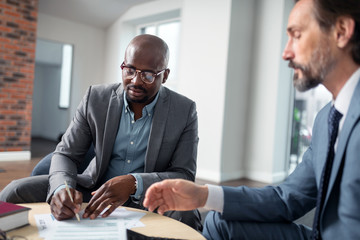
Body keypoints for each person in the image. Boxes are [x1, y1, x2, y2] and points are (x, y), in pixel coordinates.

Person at [144, 0, 360, 239]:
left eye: (296, 35)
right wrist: (204, 195)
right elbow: (286, 198)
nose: (286, 52)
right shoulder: (326, 119)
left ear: (341, 32)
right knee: (218, 220)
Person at [0, 34, 202, 230]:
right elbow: (66, 154)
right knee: (15, 190)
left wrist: (134, 183)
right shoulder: (95, 98)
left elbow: (184, 174)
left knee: (187, 214)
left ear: (164, 75)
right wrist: (62, 189)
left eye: (148, 75)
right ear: (122, 66)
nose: (136, 81)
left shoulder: (184, 111)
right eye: (130, 70)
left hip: (148, 198)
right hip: (92, 190)